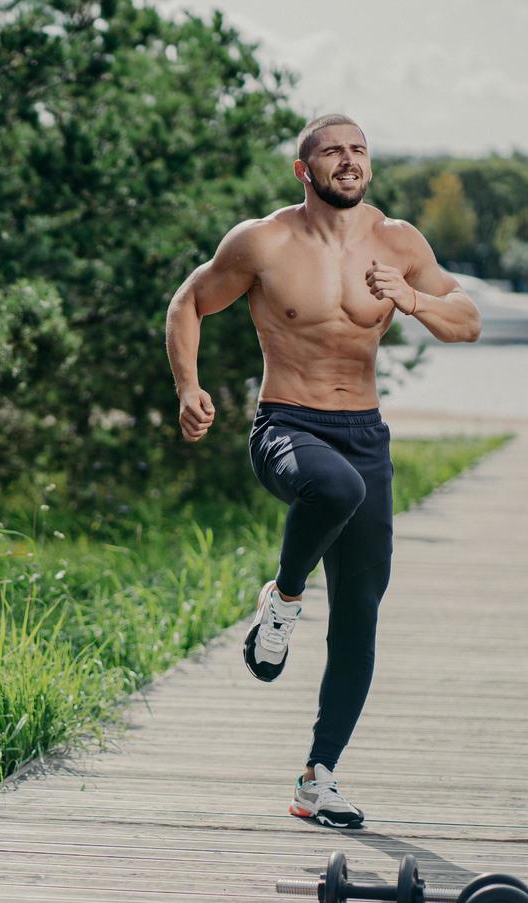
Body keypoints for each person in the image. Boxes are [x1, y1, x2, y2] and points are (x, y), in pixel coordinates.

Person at [163, 114, 481, 828]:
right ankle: (283, 598)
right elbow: (190, 300)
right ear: (304, 170)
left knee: (362, 616)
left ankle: (318, 776)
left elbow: (467, 318)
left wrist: (414, 298)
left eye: (359, 151)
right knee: (336, 486)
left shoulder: (399, 243)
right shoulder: (263, 241)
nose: (349, 161)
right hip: (288, 425)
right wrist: (188, 386)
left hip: (364, 429)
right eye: (333, 151)